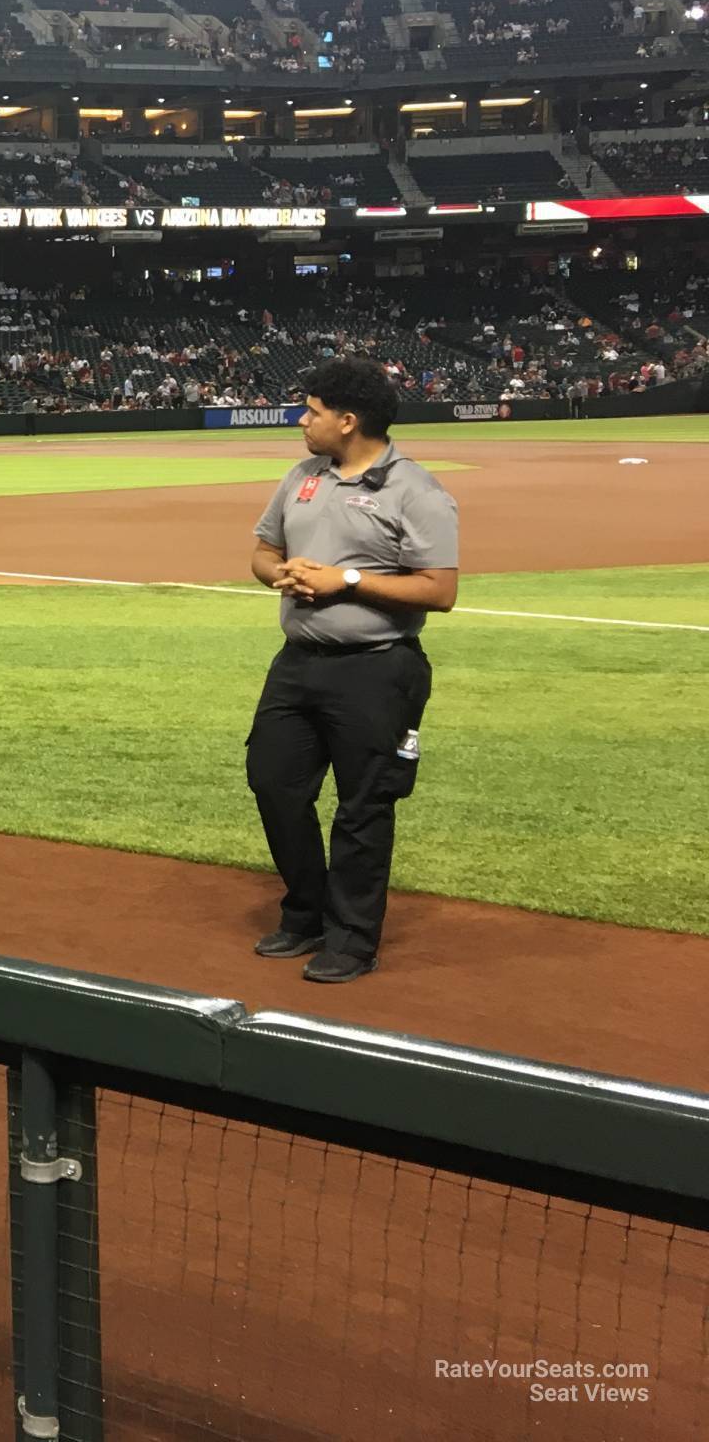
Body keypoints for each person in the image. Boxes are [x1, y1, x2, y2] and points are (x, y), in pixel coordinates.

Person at [246, 358, 459, 985]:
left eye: (311, 412)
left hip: (377, 670)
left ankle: (352, 938)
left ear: (348, 420)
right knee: (273, 783)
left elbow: (440, 590)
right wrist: (279, 574)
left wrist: (349, 580)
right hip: (296, 664)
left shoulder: (415, 490)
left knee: (364, 806)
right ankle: (308, 910)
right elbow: (263, 549)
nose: (301, 421)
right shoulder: (302, 476)